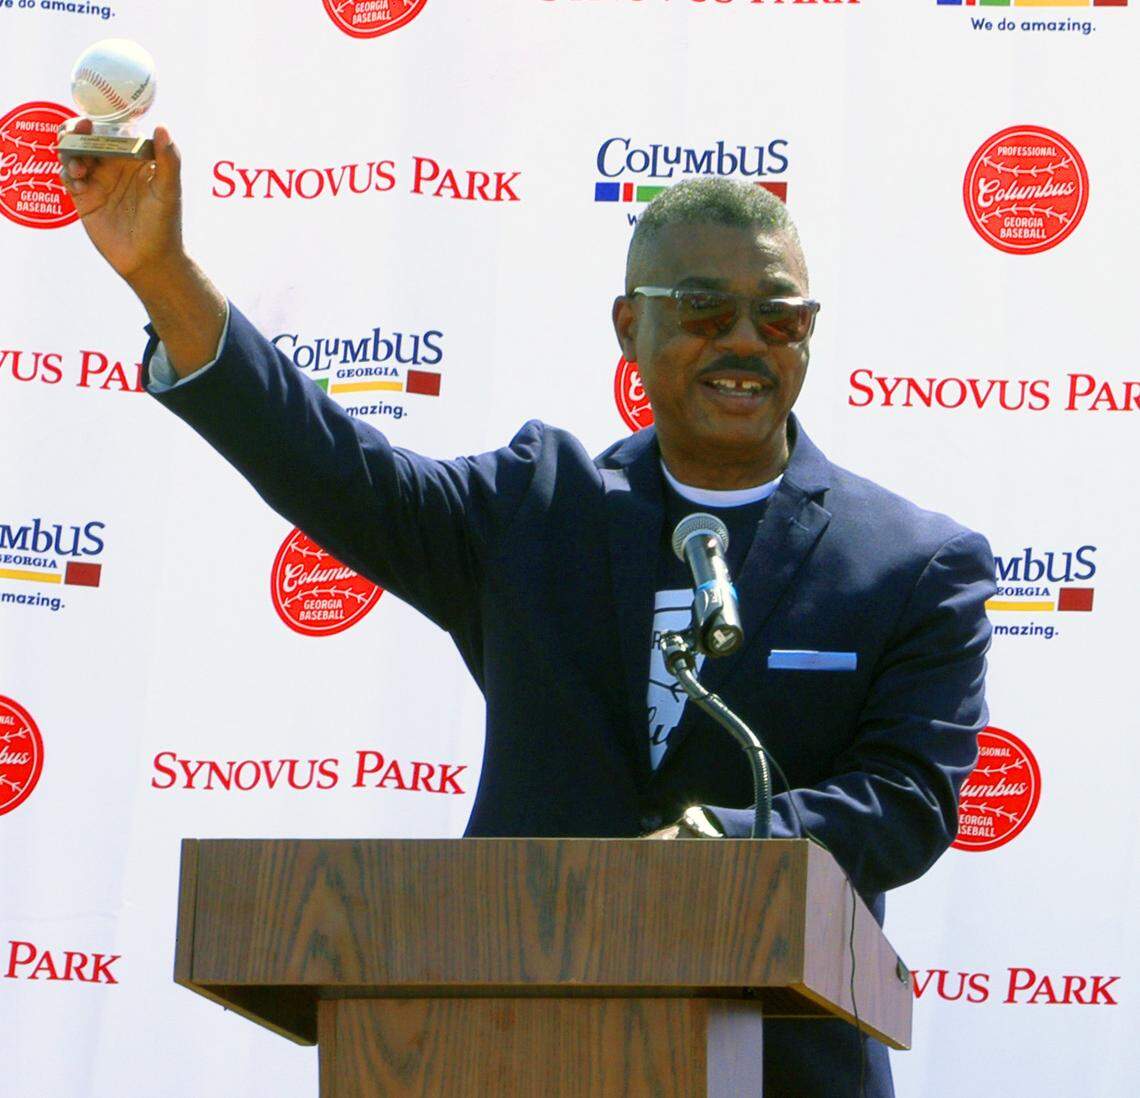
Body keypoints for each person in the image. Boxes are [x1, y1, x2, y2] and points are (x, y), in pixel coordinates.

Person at [60, 122, 994, 1097]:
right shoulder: (536, 509)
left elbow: (907, 801)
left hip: (787, 1068)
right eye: (707, 311)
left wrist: (722, 847)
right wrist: (162, 274)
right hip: (513, 1050)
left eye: (782, 316)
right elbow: (335, 469)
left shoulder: (914, 564)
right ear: (630, 328)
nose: (747, 342)